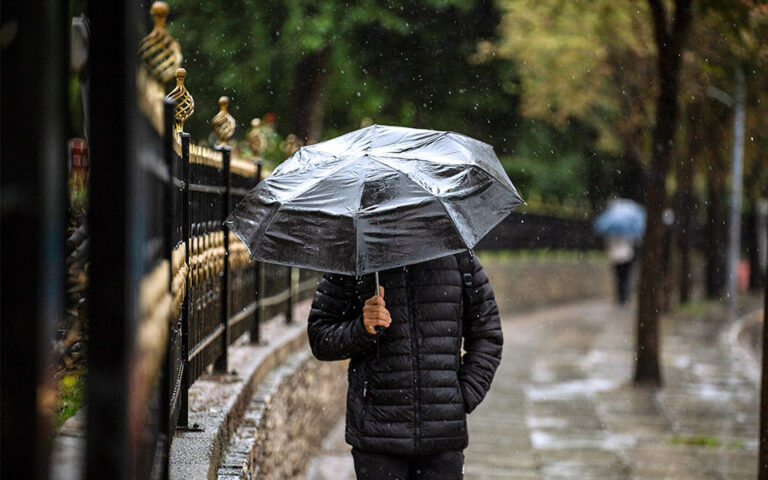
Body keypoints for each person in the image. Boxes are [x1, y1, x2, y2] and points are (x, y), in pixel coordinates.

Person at [307, 252, 502, 480]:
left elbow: (488, 335)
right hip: (377, 435)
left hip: (442, 438)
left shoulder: (458, 256)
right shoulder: (354, 259)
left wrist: (463, 396)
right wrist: (362, 328)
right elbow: (320, 337)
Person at [605, 235, 636, 305]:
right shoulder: (628, 234)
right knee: (625, 278)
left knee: (619, 278)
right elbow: (632, 244)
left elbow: (609, 245)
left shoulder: (611, 235)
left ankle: (621, 296)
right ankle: (624, 295)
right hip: (626, 257)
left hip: (616, 258)